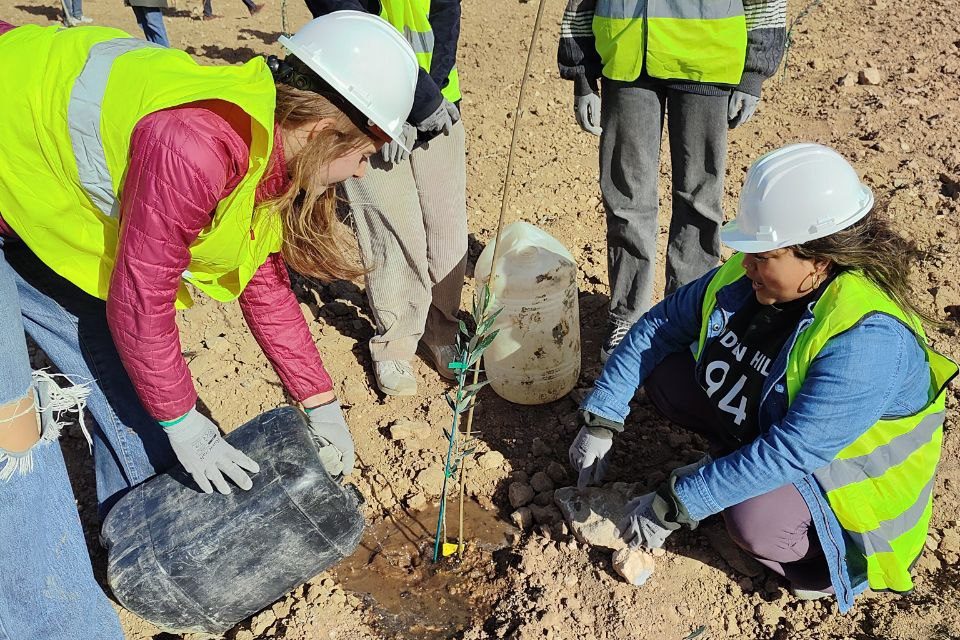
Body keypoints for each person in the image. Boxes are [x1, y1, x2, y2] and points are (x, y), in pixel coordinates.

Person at [0, 12, 417, 638]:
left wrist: (318, 398)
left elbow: (261, 278)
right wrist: (182, 420)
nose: (362, 173)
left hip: (40, 203)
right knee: (14, 442)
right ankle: (60, 623)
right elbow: (143, 295)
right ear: (328, 129)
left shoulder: (264, 148)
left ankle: (156, 559)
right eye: (365, 155)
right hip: (14, 176)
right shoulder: (196, 145)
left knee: (130, 392)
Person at [568, 144, 957, 612]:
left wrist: (674, 503)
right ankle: (736, 472)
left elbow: (792, 450)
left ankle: (827, 565)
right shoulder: (748, 274)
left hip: (851, 495)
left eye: (764, 254)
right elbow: (660, 325)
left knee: (755, 521)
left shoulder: (867, 339)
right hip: (785, 436)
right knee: (668, 375)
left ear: (819, 259)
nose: (746, 263)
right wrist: (603, 417)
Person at [558, 0, 787, 362]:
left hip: (705, 58)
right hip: (625, 57)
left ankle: (687, 315)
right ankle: (627, 316)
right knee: (626, 200)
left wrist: (755, 70)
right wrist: (582, 74)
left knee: (699, 201)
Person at [305, 0, 466, 396]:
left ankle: (441, 326)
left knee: (447, 227)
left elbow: (446, 14)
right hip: (364, 101)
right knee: (390, 227)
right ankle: (395, 342)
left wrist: (430, 94)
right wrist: (400, 107)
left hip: (439, 98)